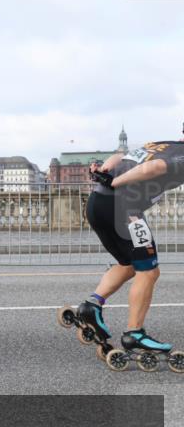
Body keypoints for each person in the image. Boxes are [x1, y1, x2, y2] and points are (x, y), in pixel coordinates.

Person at [67, 123, 184, 370]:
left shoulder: (164, 145)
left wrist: (106, 169)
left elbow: (121, 155)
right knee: (149, 271)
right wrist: (118, 180)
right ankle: (135, 334)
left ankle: (91, 306)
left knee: (128, 264)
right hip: (123, 211)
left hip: (98, 204)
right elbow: (155, 167)